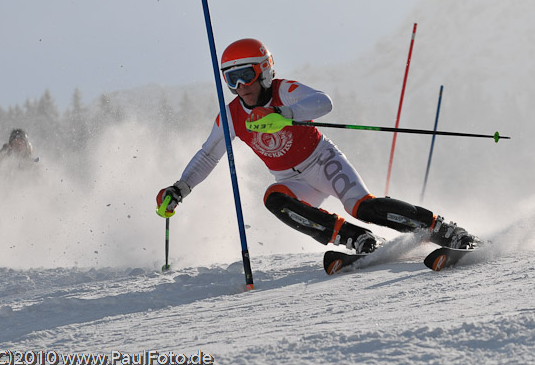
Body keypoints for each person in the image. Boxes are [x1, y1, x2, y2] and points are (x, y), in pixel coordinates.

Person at [157, 38, 477, 254]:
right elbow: (208, 155)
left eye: (246, 75)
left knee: (362, 206)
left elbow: (324, 103)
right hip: (292, 180)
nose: (241, 87)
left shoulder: (285, 91)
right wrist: (179, 188)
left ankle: (443, 230)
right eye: (231, 79)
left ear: (265, 70)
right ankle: (355, 238)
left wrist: (285, 114)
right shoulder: (231, 116)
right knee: (273, 197)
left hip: (322, 162)